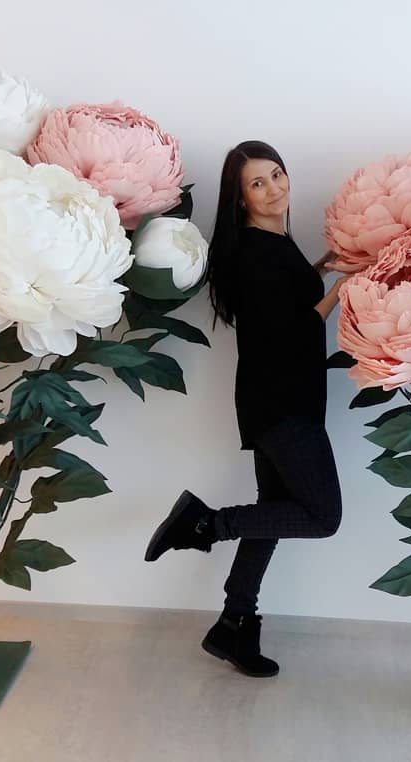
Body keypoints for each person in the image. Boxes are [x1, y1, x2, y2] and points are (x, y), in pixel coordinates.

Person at [144, 140, 349, 678]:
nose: (274, 188)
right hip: (282, 403)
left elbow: (288, 299)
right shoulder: (256, 252)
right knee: (322, 516)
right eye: (258, 183)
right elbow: (294, 330)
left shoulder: (272, 245)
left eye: (277, 175)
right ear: (240, 200)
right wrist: (347, 289)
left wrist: (326, 267)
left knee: (275, 514)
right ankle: (205, 523)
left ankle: (234, 626)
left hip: (279, 398)